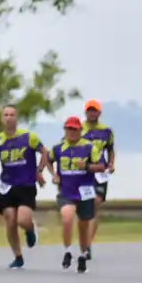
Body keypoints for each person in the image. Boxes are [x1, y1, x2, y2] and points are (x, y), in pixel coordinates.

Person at [47, 115, 108, 273]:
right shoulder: (58, 148)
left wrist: (87, 166)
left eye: (74, 129)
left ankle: (82, 254)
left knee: (83, 225)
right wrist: (54, 174)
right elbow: (47, 158)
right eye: (69, 129)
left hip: (85, 190)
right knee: (67, 216)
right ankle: (67, 251)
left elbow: (102, 166)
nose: (71, 132)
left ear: (80, 130)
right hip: (66, 190)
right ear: (65, 130)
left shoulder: (89, 147)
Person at [0, 105, 47, 269]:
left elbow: (44, 152)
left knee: (22, 219)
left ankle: (30, 229)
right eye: (6, 115)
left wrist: (39, 171)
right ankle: (18, 256)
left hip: (26, 185)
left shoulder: (29, 137)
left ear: (17, 118)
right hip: (7, 186)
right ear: (2, 118)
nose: (9, 118)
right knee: (10, 219)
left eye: (12, 115)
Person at [81, 99, 116, 250]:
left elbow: (110, 149)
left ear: (99, 113)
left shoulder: (106, 131)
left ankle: (88, 244)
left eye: (94, 110)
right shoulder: (78, 128)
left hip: (100, 172)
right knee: (84, 208)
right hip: (82, 172)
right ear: (85, 112)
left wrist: (111, 164)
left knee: (95, 203)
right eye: (89, 110)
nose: (92, 113)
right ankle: (84, 239)